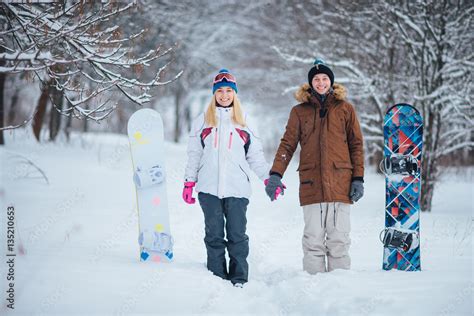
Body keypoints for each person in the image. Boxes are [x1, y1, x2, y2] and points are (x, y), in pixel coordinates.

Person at [265, 59, 364, 274]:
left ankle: (340, 288)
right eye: (316, 79)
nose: (320, 83)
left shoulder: (346, 109)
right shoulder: (299, 112)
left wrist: (358, 178)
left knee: (339, 240)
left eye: (325, 79)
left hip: (341, 183)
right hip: (312, 184)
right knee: (313, 241)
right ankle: (313, 289)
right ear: (310, 83)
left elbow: (356, 145)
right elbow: (287, 144)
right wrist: (275, 174)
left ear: (331, 82)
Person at [182, 69, 270, 287]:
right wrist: (188, 182)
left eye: (228, 91)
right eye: (219, 91)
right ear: (214, 94)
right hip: (208, 189)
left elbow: (256, 157)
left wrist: (269, 179)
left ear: (234, 93)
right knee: (213, 235)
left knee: (237, 235)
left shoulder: (246, 122)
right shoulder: (202, 121)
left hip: (237, 189)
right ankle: (216, 275)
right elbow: (194, 154)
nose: (224, 95)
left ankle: (239, 277)